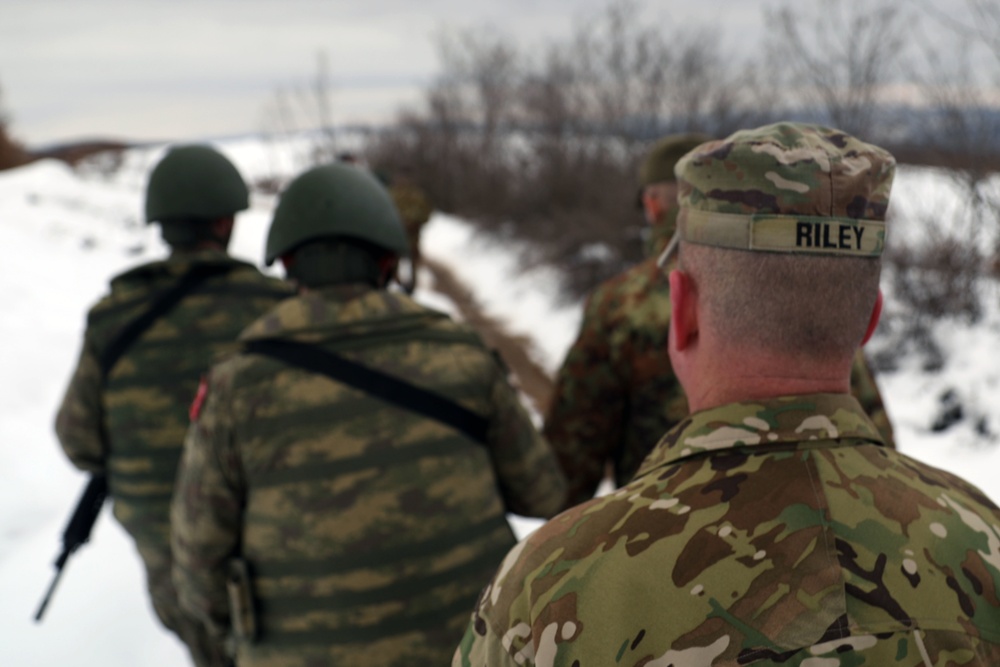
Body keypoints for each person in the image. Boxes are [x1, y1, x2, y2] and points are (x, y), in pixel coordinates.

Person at [454, 122, 1000, 665]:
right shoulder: (985, 545)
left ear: (682, 311)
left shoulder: (542, 595)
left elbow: (567, 463)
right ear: (868, 322)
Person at [170, 162, 567, 667]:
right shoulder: (462, 355)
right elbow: (543, 492)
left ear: (287, 261)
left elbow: (197, 563)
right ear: (386, 260)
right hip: (471, 649)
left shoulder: (236, 384)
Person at [544, 132, 895, 509]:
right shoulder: (814, 287)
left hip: (662, 532)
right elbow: (878, 444)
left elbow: (568, 467)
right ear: (870, 318)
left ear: (652, 205)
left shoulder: (618, 304)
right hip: (833, 517)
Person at [55, 144, 292, 667]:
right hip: (278, 541)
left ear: (161, 223)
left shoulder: (113, 317)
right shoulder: (278, 308)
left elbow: (78, 440)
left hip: (173, 556)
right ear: (227, 220)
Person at [387, 165, 433, 294]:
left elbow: (427, 214)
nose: (402, 181)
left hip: (408, 239)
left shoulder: (417, 196)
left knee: (410, 265)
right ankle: (396, 286)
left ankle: (409, 289)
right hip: (395, 237)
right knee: (393, 264)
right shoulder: (391, 194)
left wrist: (415, 222)